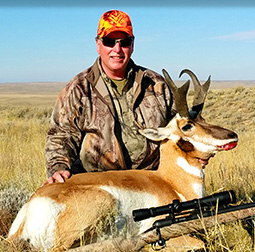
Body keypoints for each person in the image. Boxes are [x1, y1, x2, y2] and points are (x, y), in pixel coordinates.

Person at [43, 10, 175, 186]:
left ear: (132, 44)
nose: (117, 49)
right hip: (97, 184)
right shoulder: (79, 88)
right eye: (109, 42)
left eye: (124, 42)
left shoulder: (156, 84)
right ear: (98, 45)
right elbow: (61, 136)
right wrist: (58, 167)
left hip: (149, 181)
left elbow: (179, 129)